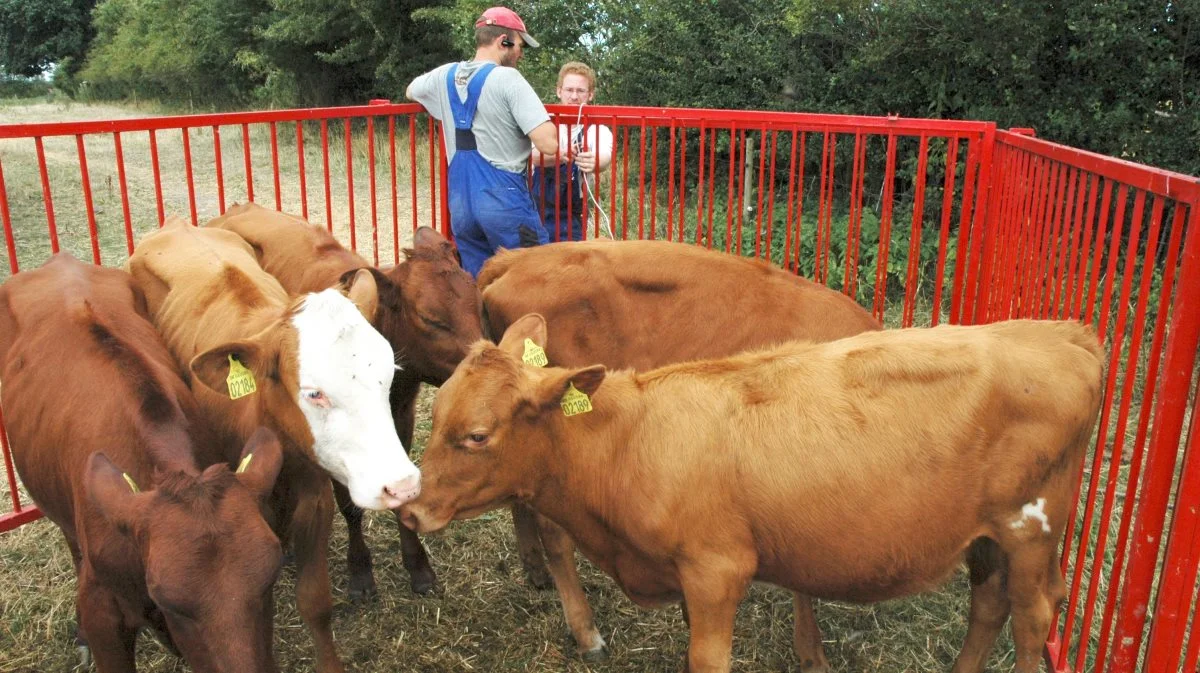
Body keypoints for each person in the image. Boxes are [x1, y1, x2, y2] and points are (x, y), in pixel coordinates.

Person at [406, 7, 558, 277]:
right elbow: (548, 143)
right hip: (504, 202)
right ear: (503, 41)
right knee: (534, 277)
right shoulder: (509, 79)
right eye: (519, 45)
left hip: (462, 202)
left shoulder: (445, 75)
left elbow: (411, 90)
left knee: (480, 280)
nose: (520, 54)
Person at [531, 62, 615, 242]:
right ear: (559, 91)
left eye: (581, 91)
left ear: (590, 94)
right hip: (535, 213)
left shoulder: (596, 129)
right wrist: (557, 156)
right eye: (569, 90)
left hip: (572, 218)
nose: (574, 96)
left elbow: (605, 156)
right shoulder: (543, 125)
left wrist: (595, 161)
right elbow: (534, 157)